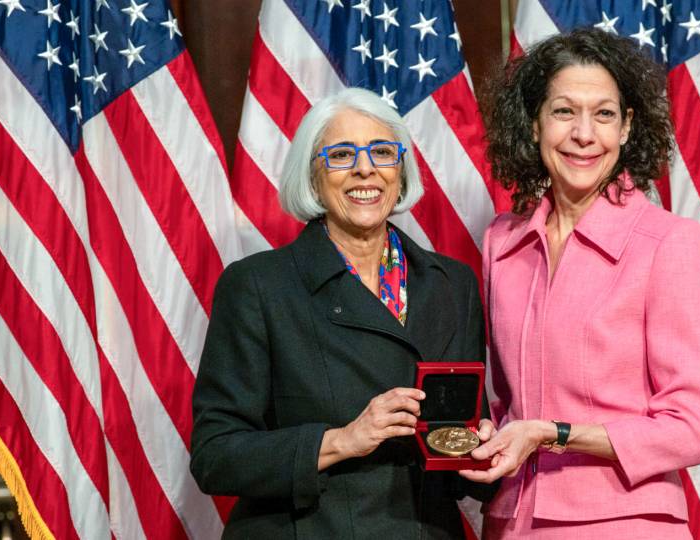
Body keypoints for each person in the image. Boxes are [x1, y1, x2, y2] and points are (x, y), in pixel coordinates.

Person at [191, 88, 494, 539]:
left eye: (382, 152)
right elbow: (215, 456)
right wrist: (342, 440)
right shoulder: (257, 286)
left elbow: (456, 446)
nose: (365, 168)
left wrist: (481, 452)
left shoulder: (453, 285)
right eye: (341, 155)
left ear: (401, 170)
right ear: (313, 178)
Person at [459, 28, 700, 538]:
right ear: (533, 124)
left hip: (626, 522)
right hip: (511, 521)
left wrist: (552, 434)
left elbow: (689, 430)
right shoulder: (502, 244)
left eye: (603, 114)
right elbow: (504, 404)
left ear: (626, 128)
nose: (584, 134)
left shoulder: (668, 242)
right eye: (562, 112)